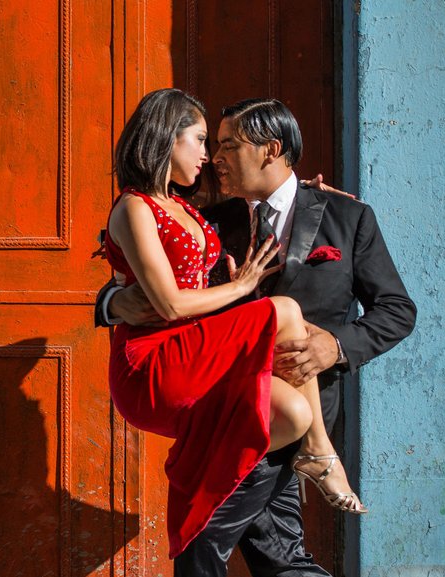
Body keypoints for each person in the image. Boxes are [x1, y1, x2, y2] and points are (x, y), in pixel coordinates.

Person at [99, 97, 417, 576]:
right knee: (259, 551)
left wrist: (333, 347)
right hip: (226, 397)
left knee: (236, 545)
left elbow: (397, 311)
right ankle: (321, 456)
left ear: (272, 149)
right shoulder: (209, 218)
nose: (216, 158)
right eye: (211, 143)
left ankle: (318, 452)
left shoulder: (347, 217)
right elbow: (144, 263)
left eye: (228, 144)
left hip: (289, 411)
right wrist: (110, 303)